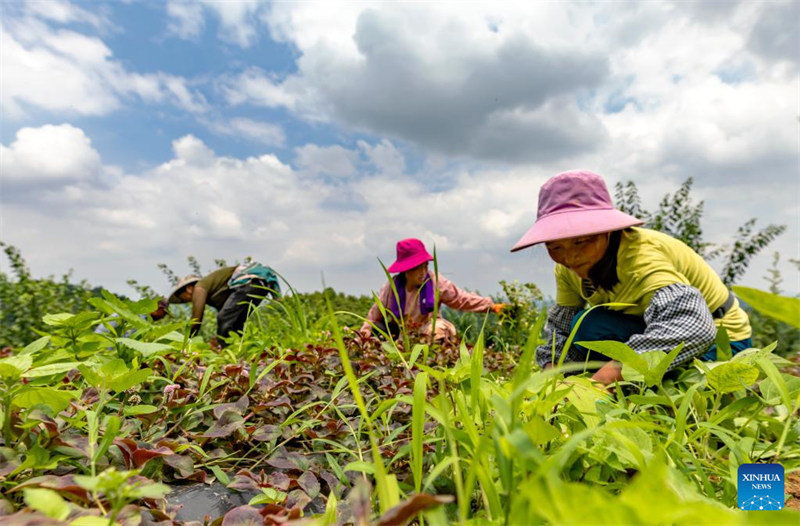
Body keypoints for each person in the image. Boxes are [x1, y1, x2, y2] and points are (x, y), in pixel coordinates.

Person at [510, 169, 752, 385]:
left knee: (676, 387)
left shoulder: (642, 259)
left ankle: (633, 387)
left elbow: (694, 329)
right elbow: (561, 329)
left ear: (606, 232)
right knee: (584, 325)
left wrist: (602, 381)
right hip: (648, 327)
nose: (570, 257)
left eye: (582, 241)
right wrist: (552, 378)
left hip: (718, 339)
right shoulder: (566, 269)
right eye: (555, 247)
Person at [359, 238, 505, 343]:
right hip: (401, 336)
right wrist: (360, 338)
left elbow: (461, 299)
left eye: (425, 266)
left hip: (428, 331)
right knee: (377, 329)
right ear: (406, 270)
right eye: (417, 268)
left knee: (438, 329)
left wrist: (491, 306)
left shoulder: (435, 282)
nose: (422, 272)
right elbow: (374, 316)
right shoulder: (392, 288)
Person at [168, 261, 281, 347]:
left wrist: (186, 341)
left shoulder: (199, 288)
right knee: (236, 323)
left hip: (248, 281)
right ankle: (237, 348)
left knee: (224, 318)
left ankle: (223, 349)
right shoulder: (214, 291)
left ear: (188, 289)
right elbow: (229, 314)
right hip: (259, 284)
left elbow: (196, 320)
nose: (188, 301)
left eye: (184, 298)